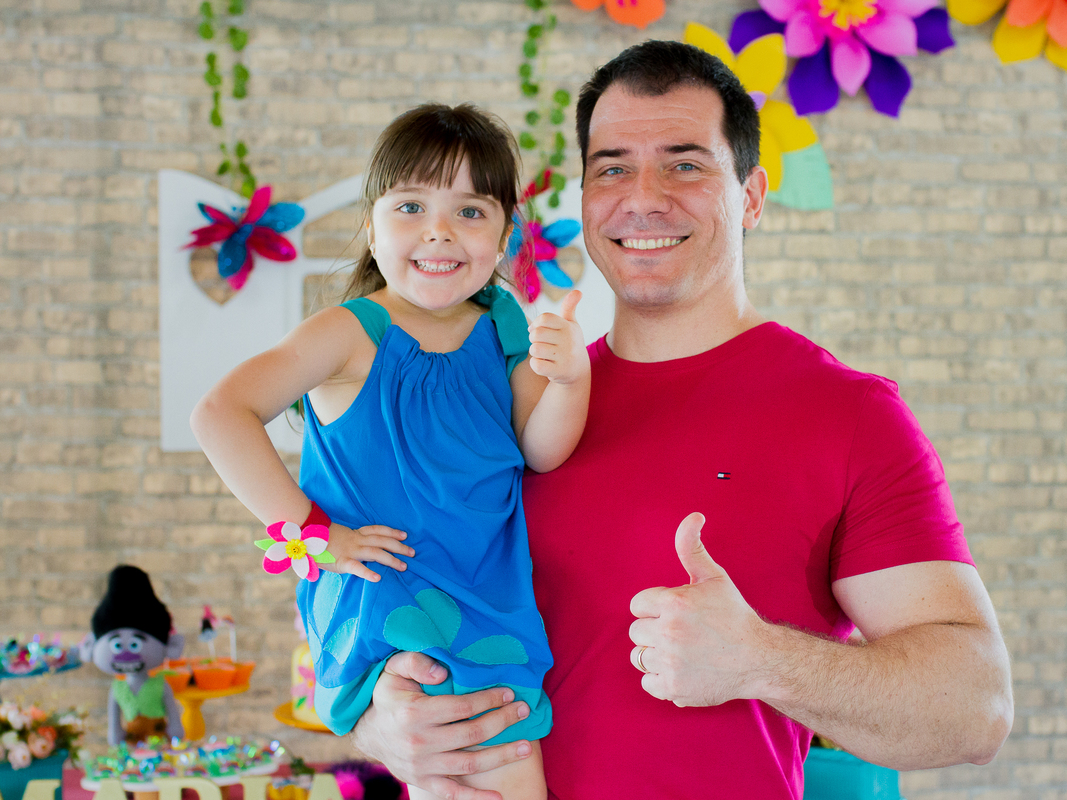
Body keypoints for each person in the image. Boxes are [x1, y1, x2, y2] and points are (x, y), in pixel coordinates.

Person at [352, 42, 1014, 800]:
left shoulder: (850, 416)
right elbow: (376, 597)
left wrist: (760, 659)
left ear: (752, 197)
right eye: (612, 169)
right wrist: (377, 726)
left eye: (685, 164)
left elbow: (976, 711)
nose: (643, 198)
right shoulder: (509, 407)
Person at [190, 104, 592, 800]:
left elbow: (543, 449)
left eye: (470, 211)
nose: (439, 230)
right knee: (482, 761)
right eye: (411, 207)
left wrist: (570, 379)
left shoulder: (504, 331)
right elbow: (221, 413)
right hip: (391, 591)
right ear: (372, 227)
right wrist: (314, 533)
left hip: (485, 596)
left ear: (504, 238)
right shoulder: (348, 333)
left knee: (502, 757)